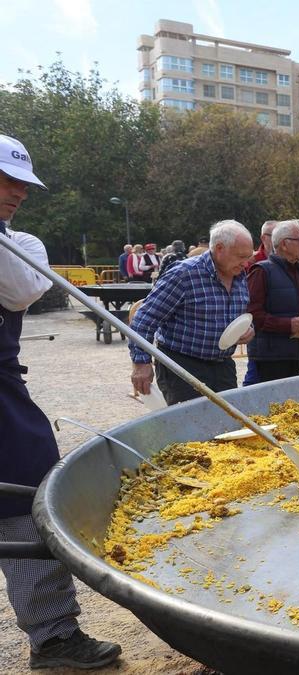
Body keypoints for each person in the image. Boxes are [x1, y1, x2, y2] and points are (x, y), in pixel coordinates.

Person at [0, 135, 122, 670]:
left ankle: (53, 637)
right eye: (6, 181)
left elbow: (19, 290)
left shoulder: (22, 245)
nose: (18, 193)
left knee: (27, 502)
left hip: (2, 401)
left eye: (22, 184)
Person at [130, 220, 256, 405]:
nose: (246, 263)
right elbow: (144, 319)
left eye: (248, 257)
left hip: (222, 366)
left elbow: (235, 313)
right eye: (241, 256)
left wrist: (247, 329)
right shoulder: (184, 274)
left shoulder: (239, 275)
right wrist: (141, 363)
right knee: (191, 428)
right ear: (219, 248)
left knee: (227, 425)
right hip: (182, 367)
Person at [245, 220, 299, 384]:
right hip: (271, 356)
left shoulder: (298, 270)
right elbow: (252, 315)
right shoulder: (261, 271)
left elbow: (298, 310)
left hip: (296, 351)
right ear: (284, 244)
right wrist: (287, 324)